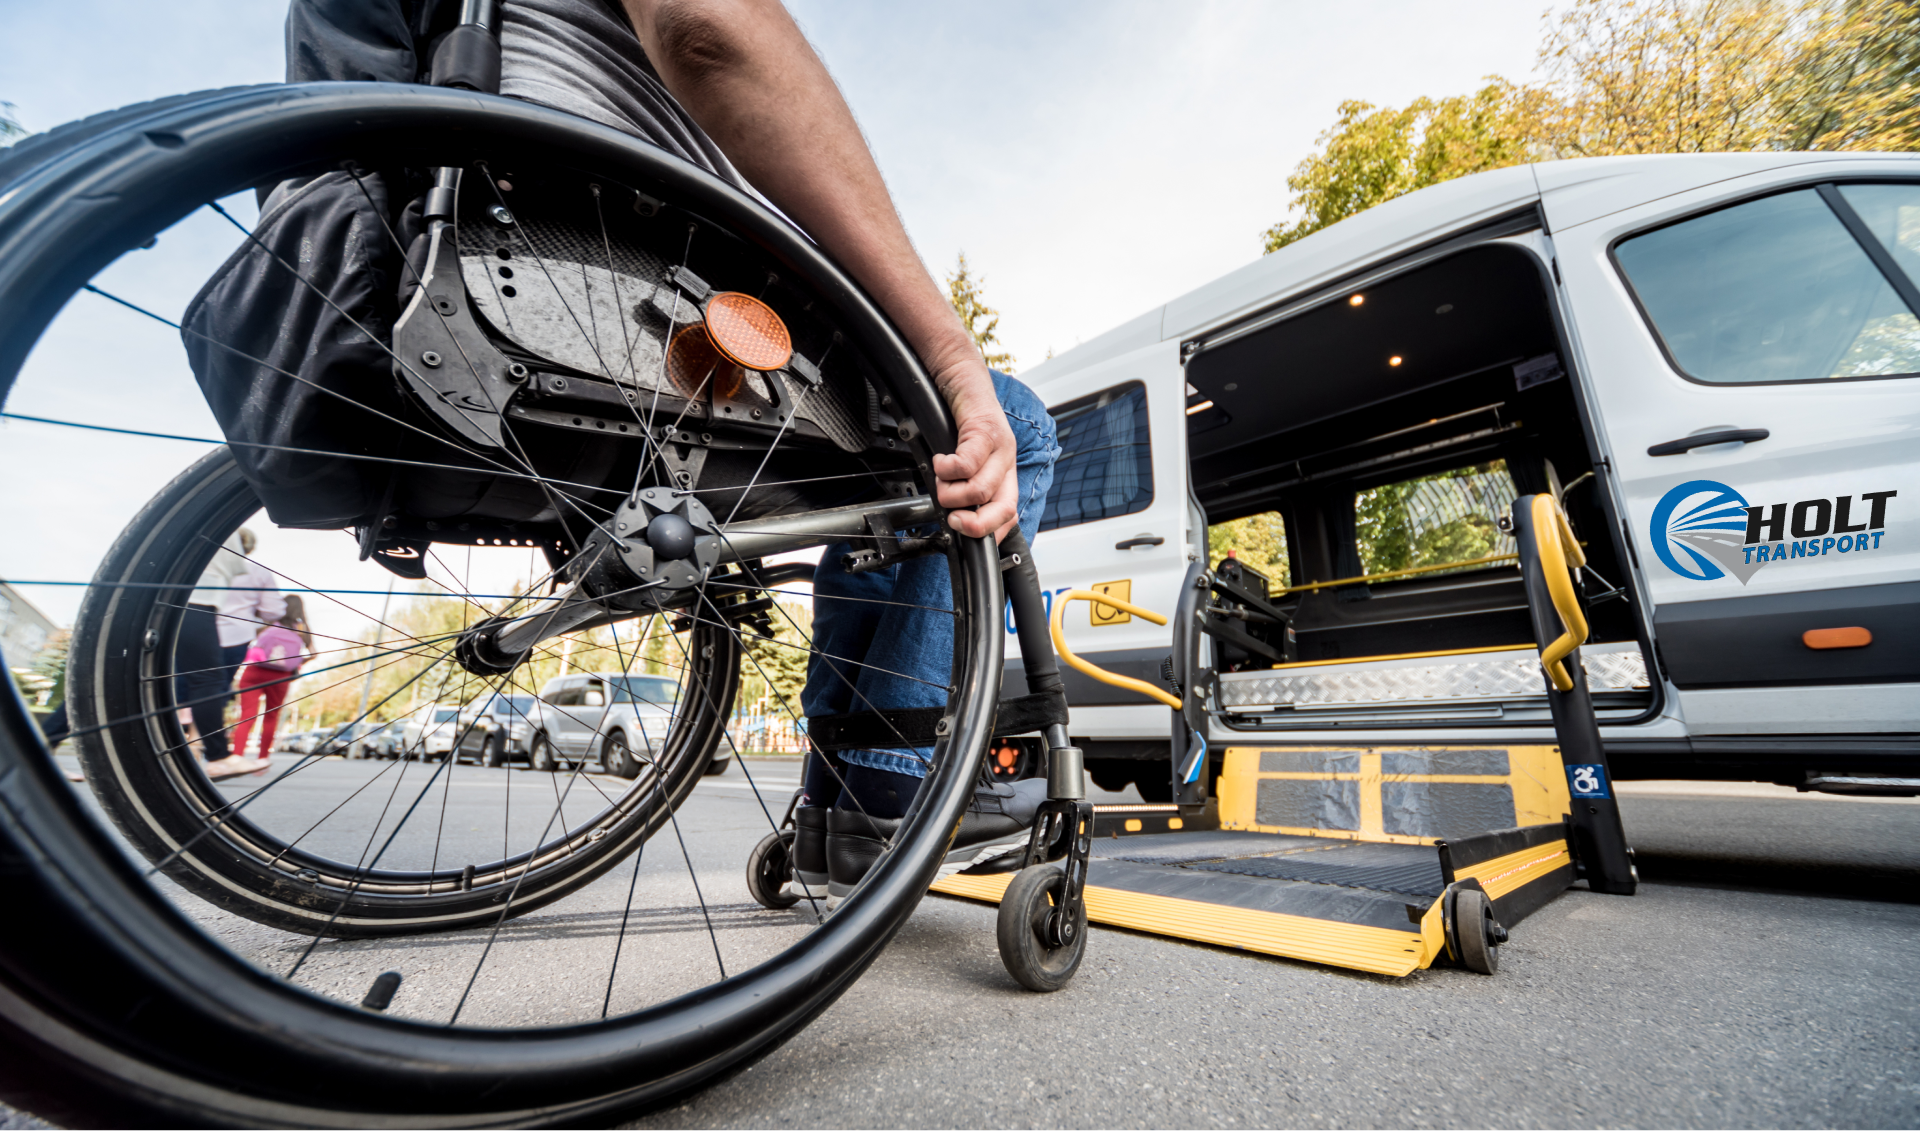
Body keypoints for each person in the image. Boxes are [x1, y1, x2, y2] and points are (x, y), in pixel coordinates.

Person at [286, 0, 1061, 893]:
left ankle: (836, 803)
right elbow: (708, 31)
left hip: (466, 249)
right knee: (1013, 424)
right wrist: (953, 356)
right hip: (627, 275)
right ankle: (888, 784)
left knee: (891, 489)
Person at [177, 527, 286, 779]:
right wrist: (254, 618)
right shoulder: (258, 572)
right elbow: (274, 611)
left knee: (181, 691)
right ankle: (202, 751)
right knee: (210, 691)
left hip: (187, 629)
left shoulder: (199, 563)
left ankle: (190, 751)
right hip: (233, 637)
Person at [225, 595, 312, 774]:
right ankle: (262, 762)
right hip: (280, 678)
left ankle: (236, 757)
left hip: (255, 672)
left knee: (247, 715)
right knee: (271, 717)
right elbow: (315, 653)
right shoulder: (301, 630)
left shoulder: (269, 623)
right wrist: (295, 663)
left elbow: (251, 642)